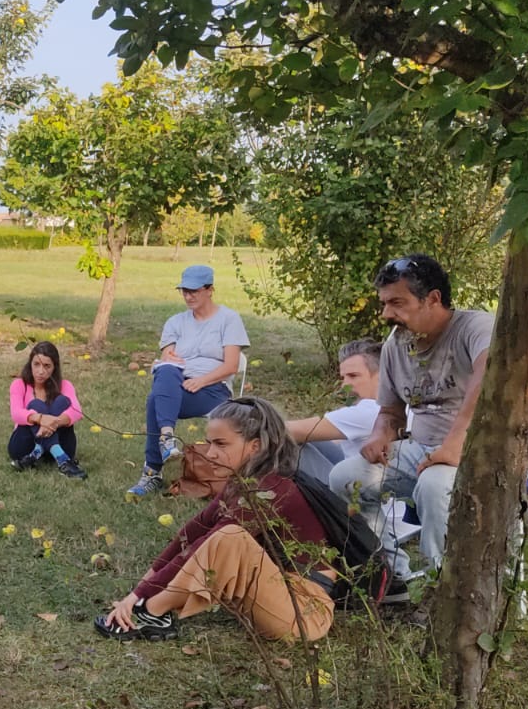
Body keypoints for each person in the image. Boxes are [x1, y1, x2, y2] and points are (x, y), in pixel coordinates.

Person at [99, 397, 336, 644]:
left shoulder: (271, 489)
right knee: (222, 537)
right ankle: (147, 607)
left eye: (221, 444)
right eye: (209, 442)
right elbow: (193, 532)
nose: (210, 453)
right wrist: (139, 588)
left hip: (305, 612)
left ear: (255, 446)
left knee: (229, 538)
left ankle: (151, 613)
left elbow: (207, 545)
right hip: (277, 592)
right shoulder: (243, 480)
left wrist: (140, 598)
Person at [328, 254, 493, 581]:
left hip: (482, 449)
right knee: (345, 477)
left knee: (434, 487)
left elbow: (488, 376)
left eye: (397, 303)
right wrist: (380, 435)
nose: (387, 314)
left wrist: (455, 443)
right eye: (385, 303)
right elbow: (390, 412)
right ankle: (391, 577)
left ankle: (445, 589)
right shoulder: (396, 345)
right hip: (422, 449)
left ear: (432, 299)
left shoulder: (476, 328)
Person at [128, 265, 250, 497]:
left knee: (155, 400)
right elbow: (168, 357)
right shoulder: (175, 322)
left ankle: (152, 471)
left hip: (213, 390)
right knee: (165, 371)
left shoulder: (229, 319)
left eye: (194, 290)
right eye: (184, 290)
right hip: (178, 385)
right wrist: (169, 360)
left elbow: (231, 366)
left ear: (210, 290)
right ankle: (166, 438)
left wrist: (201, 381)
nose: (188, 296)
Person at [285, 339, 382, 481]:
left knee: (286, 443)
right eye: (343, 378)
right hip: (358, 475)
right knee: (307, 439)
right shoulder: (394, 405)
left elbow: (292, 430)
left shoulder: (370, 410)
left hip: (354, 494)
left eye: (353, 376)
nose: (344, 385)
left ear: (382, 377)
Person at [8, 341, 87, 479]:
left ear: (54, 368)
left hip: (62, 443)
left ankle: (37, 453)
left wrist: (53, 422)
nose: (40, 371)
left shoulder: (65, 385)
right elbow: (16, 414)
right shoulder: (19, 384)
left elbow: (77, 411)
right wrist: (40, 418)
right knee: (36, 405)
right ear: (30, 364)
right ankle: (62, 460)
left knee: (62, 401)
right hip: (24, 447)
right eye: (36, 364)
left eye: (47, 366)